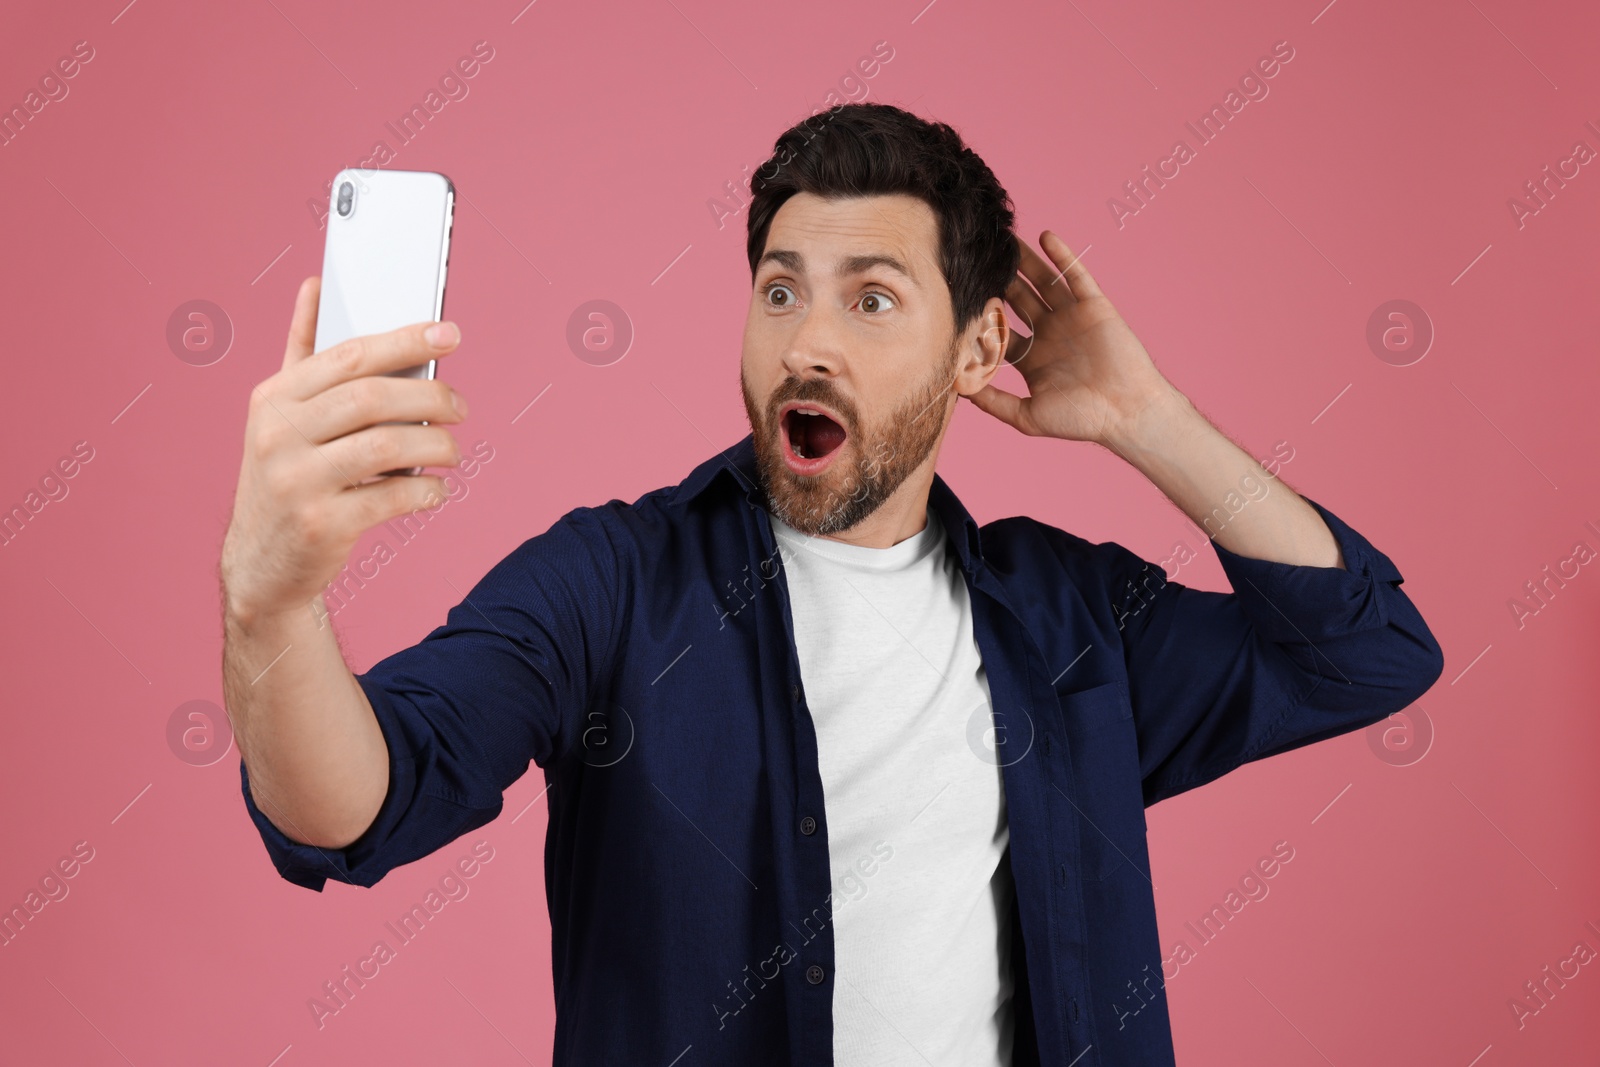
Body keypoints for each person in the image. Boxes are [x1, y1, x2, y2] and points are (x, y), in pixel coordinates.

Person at [220, 102, 1443, 1067]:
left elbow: (1364, 651)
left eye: (871, 298)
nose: (806, 339)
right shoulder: (610, 583)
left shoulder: (1074, 622)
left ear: (975, 351)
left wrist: (1146, 418)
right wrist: (269, 605)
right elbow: (355, 806)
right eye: (780, 289)